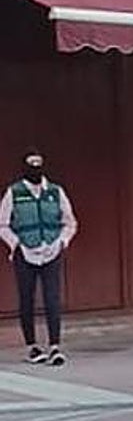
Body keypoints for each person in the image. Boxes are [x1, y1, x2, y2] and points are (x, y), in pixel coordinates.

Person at [0, 148, 79, 366]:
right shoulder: (14, 193)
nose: (35, 170)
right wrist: (16, 244)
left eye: (38, 165)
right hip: (25, 253)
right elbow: (3, 224)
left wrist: (62, 242)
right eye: (31, 165)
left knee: (52, 299)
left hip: (51, 251)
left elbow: (70, 222)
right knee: (27, 299)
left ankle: (55, 346)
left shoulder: (55, 192)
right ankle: (32, 347)